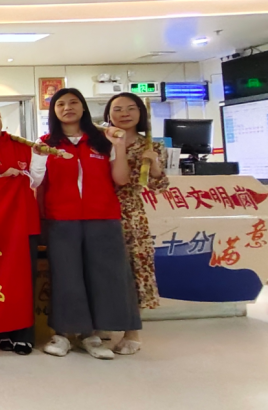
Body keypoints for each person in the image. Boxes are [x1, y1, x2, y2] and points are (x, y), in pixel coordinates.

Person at [34, 88, 141, 360]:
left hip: (103, 217)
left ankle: (91, 335)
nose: (67, 107)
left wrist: (119, 146)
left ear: (83, 107)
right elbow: (37, 183)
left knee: (104, 277)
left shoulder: (103, 140)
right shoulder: (45, 144)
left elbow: (121, 179)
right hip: (61, 219)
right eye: (60, 104)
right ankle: (62, 334)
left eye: (73, 102)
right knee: (66, 277)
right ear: (53, 111)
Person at [0, 103, 45, 355]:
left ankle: (24, 334)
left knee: (25, 279)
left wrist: (39, 157)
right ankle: (0, 330)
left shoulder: (22, 145)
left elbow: (36, 179)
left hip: (24, 220)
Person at [104, 92, 168, 355]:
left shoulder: (150, 146)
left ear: (141, 113)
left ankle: (132, 331)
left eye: (131, 108)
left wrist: (155, 166)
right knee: (103, 270)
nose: (124, 114)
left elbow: (159, 186)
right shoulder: (100, 141)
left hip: (131, 214)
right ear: (109, 114)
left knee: (133, 269)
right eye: (118, 109)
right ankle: (101, 325)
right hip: (99, 210)